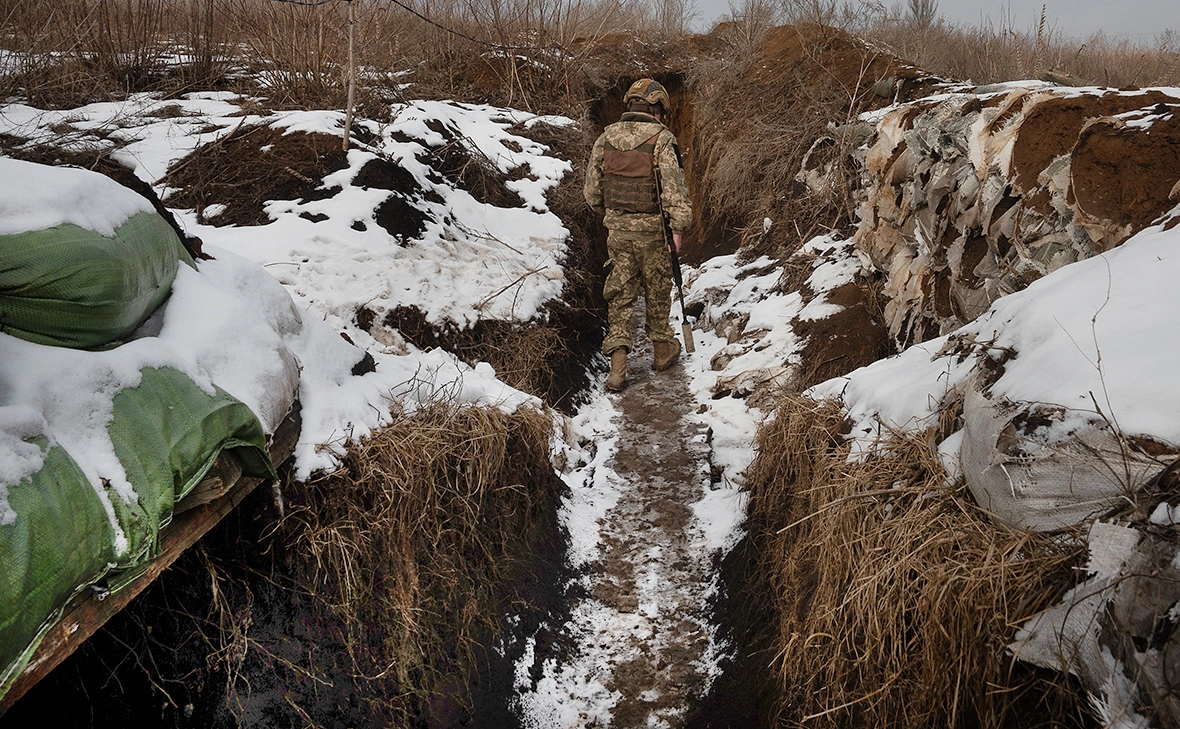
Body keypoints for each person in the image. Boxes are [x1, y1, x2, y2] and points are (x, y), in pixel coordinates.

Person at [584, 78, 694, 391]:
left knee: (620, 295)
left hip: (617, 235)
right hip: (653, 234)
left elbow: (592, 195)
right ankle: (662, 352)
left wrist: (617, 216)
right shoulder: (662, 139)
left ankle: (618, 369)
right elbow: (675, 191)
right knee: (658, 290)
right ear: (657, 108)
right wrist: (678, 229)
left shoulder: (605, 137)